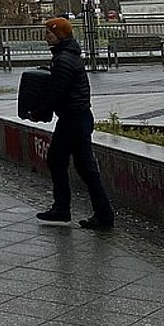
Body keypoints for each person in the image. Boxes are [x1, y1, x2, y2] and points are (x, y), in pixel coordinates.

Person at [36, 17, 115, 231]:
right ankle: (98, 214)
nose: (46, 37)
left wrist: (39, 111)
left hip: (73, 119)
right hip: (76, 118)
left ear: (60, 35)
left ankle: (68, 210)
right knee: (77, 165)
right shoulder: (67, 56)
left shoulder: (64, 59)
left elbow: (57, 92)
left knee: (69, 163)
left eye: (49, 33)